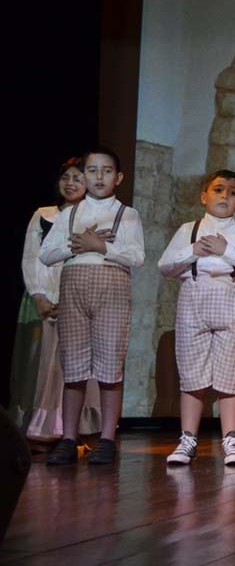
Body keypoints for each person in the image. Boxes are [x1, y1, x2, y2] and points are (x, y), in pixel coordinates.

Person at [39, 148, 145, 466]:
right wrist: (76, 243)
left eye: (107, 171)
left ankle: (107, 439)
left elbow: (137, 256)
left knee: (110, 364)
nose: (99, 177)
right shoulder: (69, 214)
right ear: (84, 175)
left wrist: (102, 246)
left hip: (111, 286)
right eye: (93, 170)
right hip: (73, 286)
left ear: (119, 177)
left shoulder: (127, 214)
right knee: (74, 366)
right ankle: (69, 438)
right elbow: (46, 254)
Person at [158, 170, 235, 466]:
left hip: (232, 298)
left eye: (232, 192)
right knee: (192, 371)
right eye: (218, 190)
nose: (224, 196)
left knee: (232, 372)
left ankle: (230, 438)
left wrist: (227, 251)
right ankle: (188, 439)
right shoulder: (188, 229)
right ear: (204, 196)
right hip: (195, 297)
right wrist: (193, 251)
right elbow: (165, 266)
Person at [15, 159, 100, 446]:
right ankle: (40, 428)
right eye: (65, 177)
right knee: (41, 367)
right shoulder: (44, 215)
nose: (71, 183)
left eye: (78, 177)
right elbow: (31, 256)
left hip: (78, 299)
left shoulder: (95, 217)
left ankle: (75, 430)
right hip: (44, 297)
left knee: (74, 368)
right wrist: (39, 295)